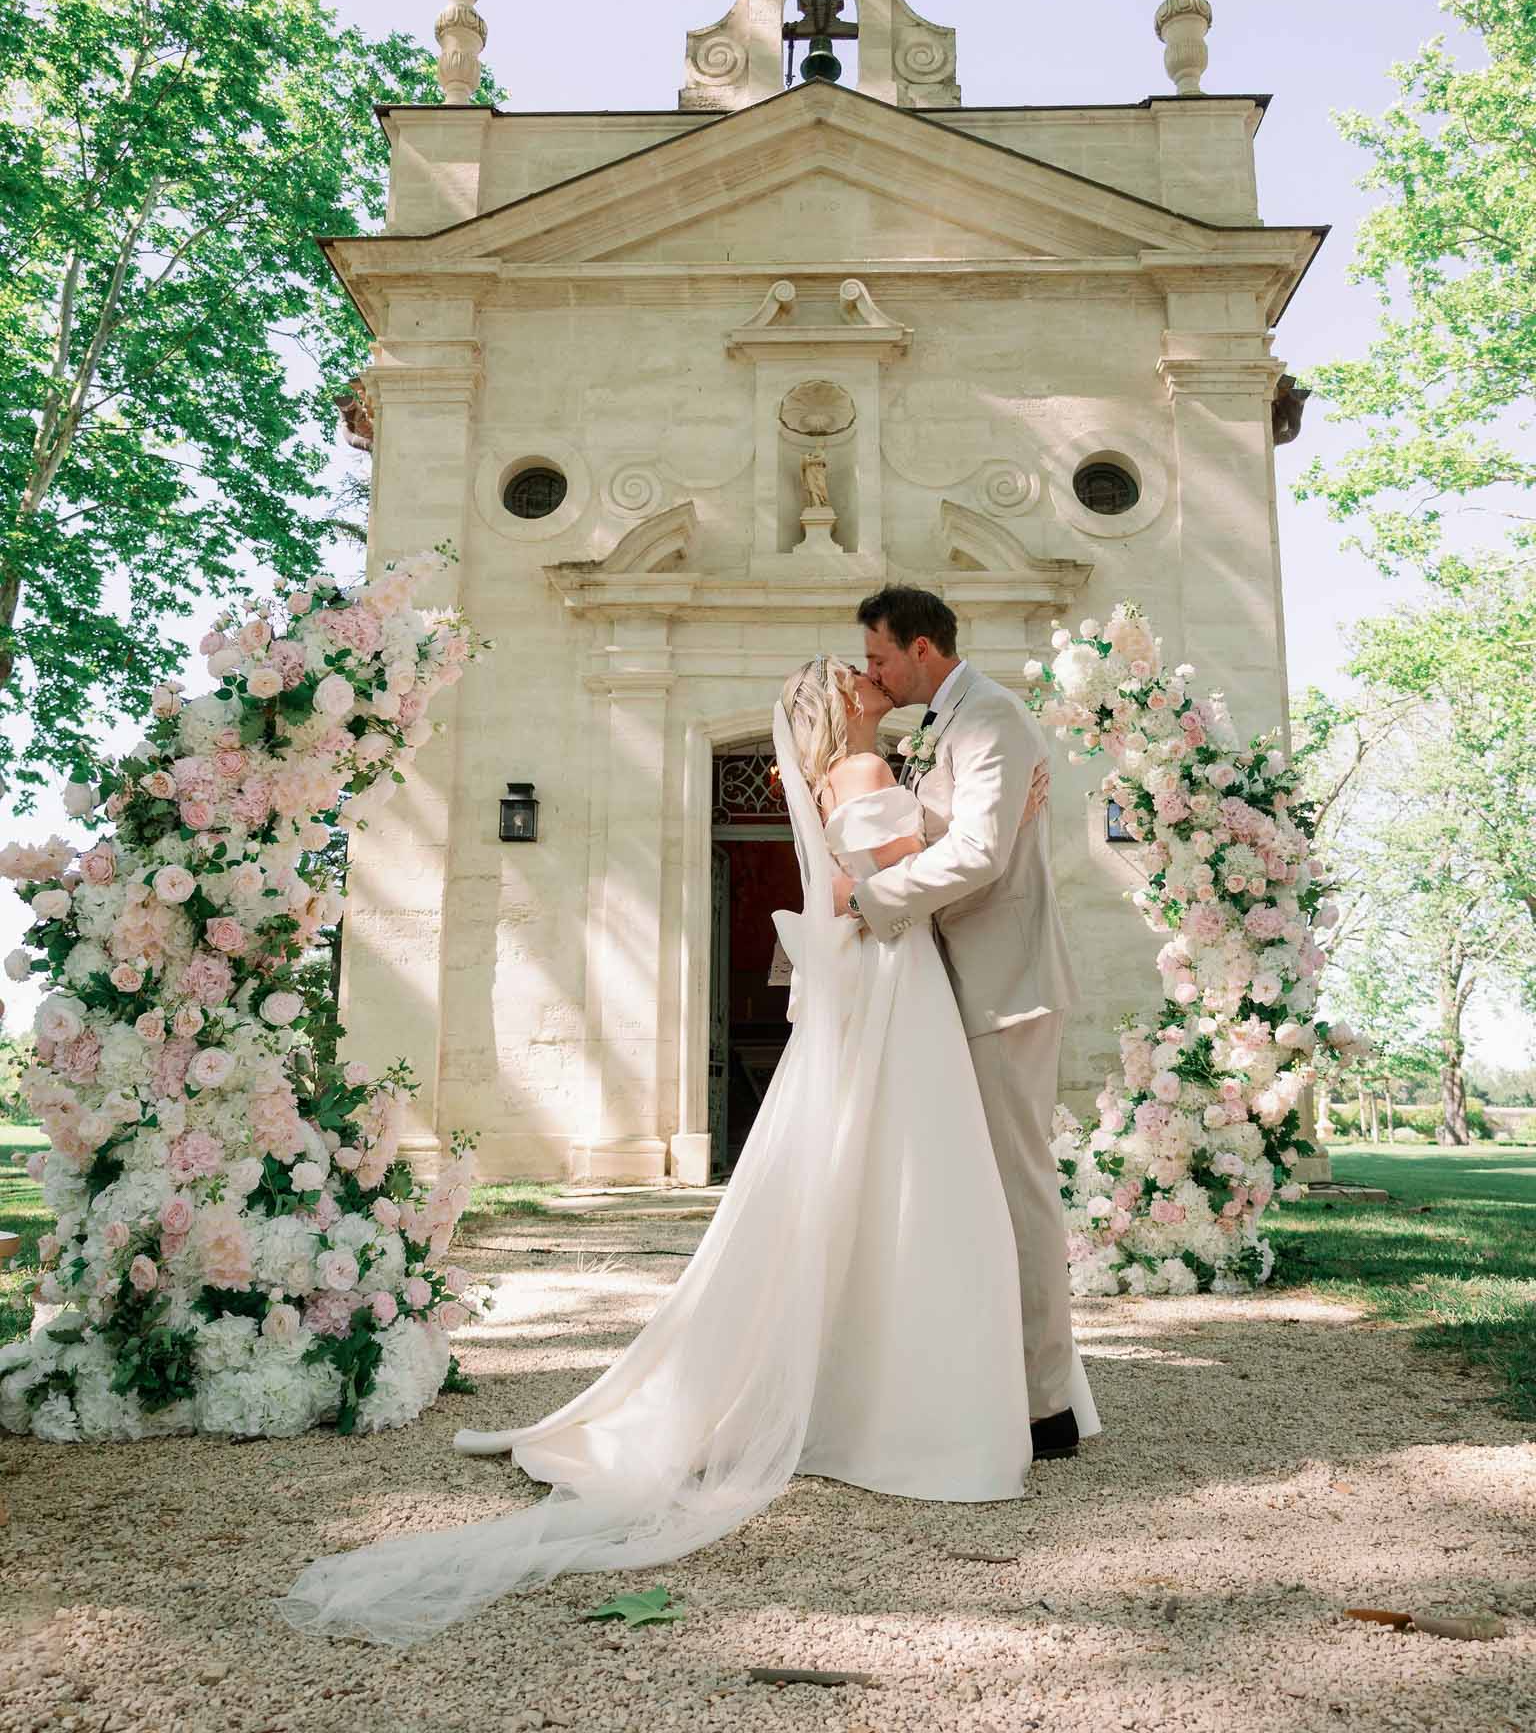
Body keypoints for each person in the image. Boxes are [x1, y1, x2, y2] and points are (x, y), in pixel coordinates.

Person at [278, 656, 1096, 1646]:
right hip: (900, 983)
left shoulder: (876, 774)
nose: (872, 673)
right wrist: (989, 830)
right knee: (914, 1184)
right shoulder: (870, 776)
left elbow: (892, 867)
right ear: (839, 705)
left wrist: (986, 823)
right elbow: (868, 889)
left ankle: (870, 1374)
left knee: (882, 1179)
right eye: (854, 674)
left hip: (898, 986)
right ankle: (909, 1396)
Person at [848, 585, 1084, 1462]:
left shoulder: (991, 717)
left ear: (921, 647)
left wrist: (869, 900)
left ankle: (1047, 1408)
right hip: (954, 984)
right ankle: (988, 1379)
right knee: (971, 1193)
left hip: (1006, 985)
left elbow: (982, 854)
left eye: (879, 657)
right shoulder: (941, 726)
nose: (870, 673)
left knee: (1020, 1193)